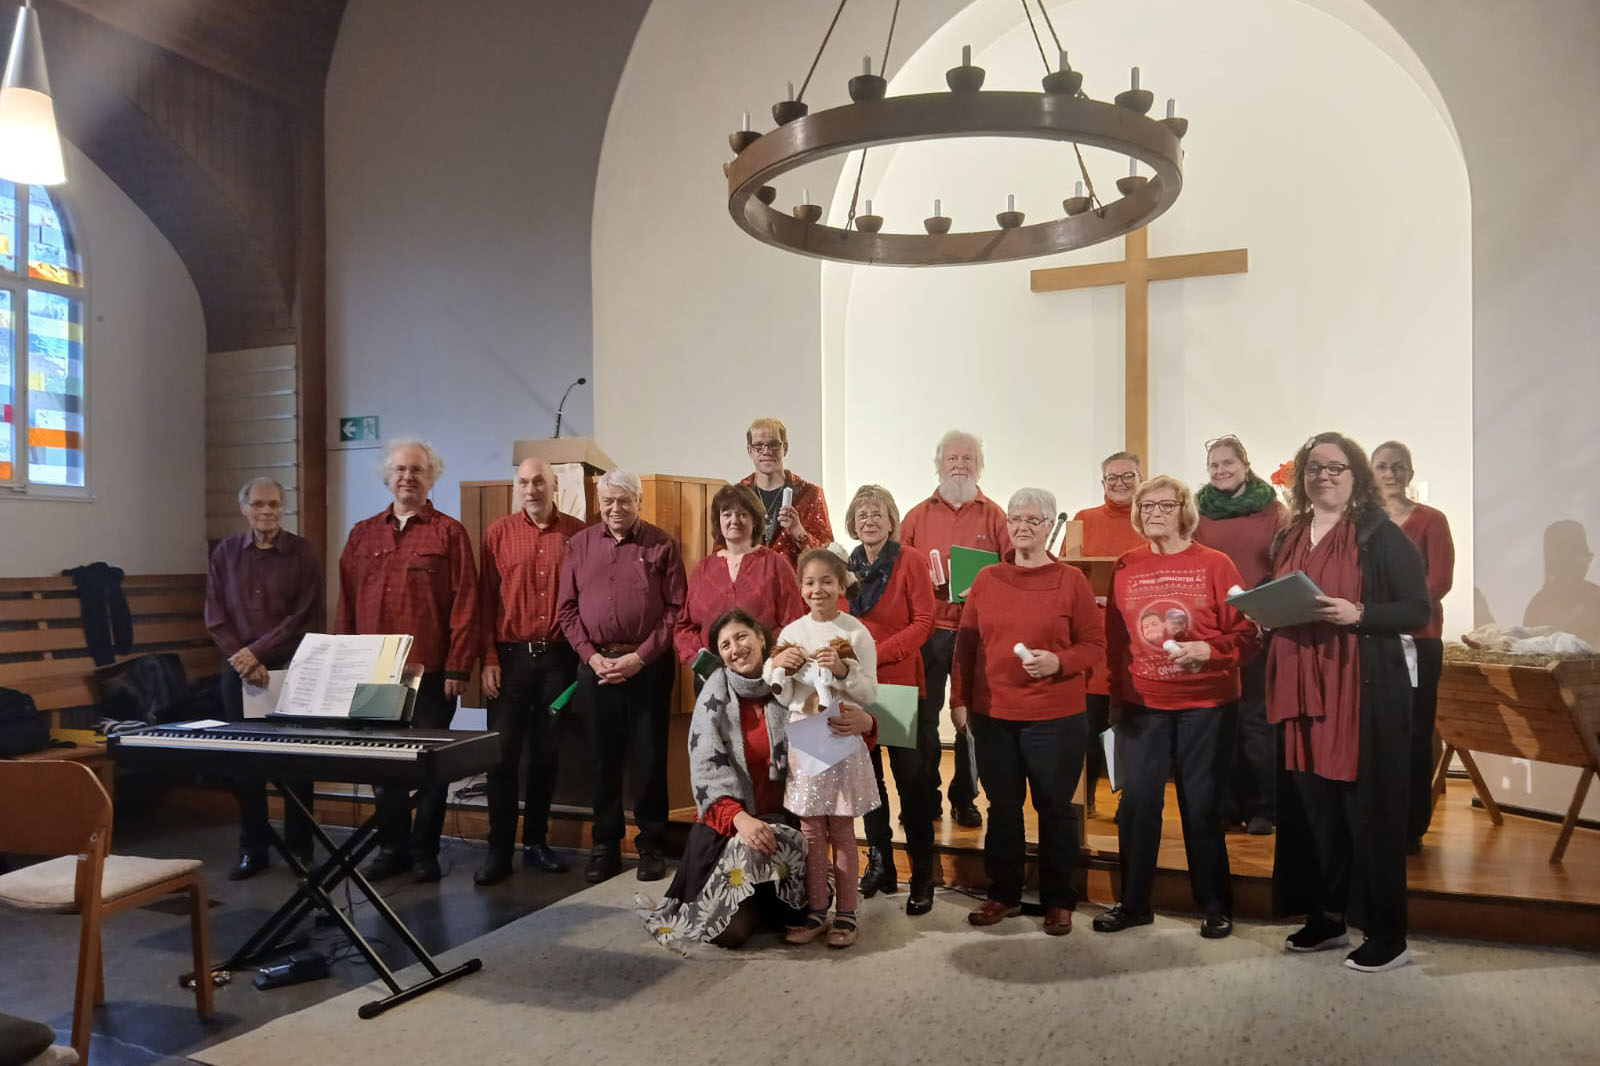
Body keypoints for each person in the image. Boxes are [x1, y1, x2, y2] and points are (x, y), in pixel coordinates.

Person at [1268, 432, 1429, 973]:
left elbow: (1416, 608)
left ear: (1356, 476)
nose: (1325, 477)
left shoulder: (1381, 535)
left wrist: (1360, 614)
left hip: (1358, 691)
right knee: (1317, 815)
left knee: (1368, 816)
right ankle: (1328, 915)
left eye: (1336, 468)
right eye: (1315, 468)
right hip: (1300, 690)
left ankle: (1388, 934)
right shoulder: (1290, 534)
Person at [1095, 476, 1257, 939]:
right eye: (1145, 507)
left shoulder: (1216, 565)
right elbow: (1115, 641)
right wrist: (1115, 697)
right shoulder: (1126, 565)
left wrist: (1210, 651)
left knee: (1202, 805)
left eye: (1164, 505)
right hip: (1143, 704)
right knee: (1138, 804)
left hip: (1206, 705)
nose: (1154, 513)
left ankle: (1214, 904)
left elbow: (1248, 634)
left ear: (1184, 509)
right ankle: (1134, 902)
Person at [952, 487, 1104, 936]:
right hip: (994, 714)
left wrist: (1060, 662)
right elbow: (966, 645)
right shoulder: (987, 579)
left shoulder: (1071, 580)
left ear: (1050, 526)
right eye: (1015, 519)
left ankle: (1059, 898)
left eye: (1032, 520)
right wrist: (958, 699)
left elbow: (1094, 646)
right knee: (1003, 807)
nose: (1021, 527)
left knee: (1055, 809)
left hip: (1055, 716)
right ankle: (1004, 893)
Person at [337, 438, 479, 883]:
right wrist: (344, 664)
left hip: (434, 673)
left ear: (431, 477)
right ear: (388, 476)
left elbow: (467, 603)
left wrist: (459, 666)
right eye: (400, 470)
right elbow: (345, 601)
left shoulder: (449, 533)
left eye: (417, 470)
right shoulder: (362, 534)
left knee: (431, 769)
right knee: (383, 769)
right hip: (377, 673)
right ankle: (391, 847)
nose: (408, 477)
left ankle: (425, 852)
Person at [637, 609, 807, 952]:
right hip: (727, 827)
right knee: (730, 933)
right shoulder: (713, 697)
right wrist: (741, 819)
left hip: (783, 826)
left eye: (742, 637)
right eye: (725, 644)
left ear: (761, 637)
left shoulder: (791, 685)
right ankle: (751, 901)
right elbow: (706, 772)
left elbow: (826, 737)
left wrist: (861, 721)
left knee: (793, 918)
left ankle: (765, 898)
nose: (735, 648)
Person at [557, 468, 687, 884]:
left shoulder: (661, 544)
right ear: (599, 503)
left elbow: (675, 611)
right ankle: (605, 845)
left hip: (646, 669)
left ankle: (651, 844)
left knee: (650, 759)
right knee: (602, 760)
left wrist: (639, 659)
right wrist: (592, 658)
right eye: (608, 501)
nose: (615, 509)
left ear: (639, 503)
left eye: (624, 501)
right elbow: (567, 610)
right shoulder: (578, 545)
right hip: (595, 668)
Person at [474, 457, 587, 886]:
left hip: (559, 659)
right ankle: (498, 850)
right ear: (515, 487)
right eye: (523, 482)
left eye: (539, 481)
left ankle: (536, 844)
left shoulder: (577, 533)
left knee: (547, 753)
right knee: (500, 757)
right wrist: (486, 657)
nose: (531, 488)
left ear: (554, 484)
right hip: (509, 659)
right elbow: (484, 601)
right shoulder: (497, 534)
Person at [204, 476, 323, 880]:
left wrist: (257, 653)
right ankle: (253, 848)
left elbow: (303, 616)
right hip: (238, 670)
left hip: (290, 668)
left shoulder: (303, 553)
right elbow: (215, 615)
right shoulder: (225, 553)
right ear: (244, 508)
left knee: (296, 761)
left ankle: (300, 848)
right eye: (258, 504)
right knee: (245, 763)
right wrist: (243, 658)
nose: (266, 511)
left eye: (274, 504)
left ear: (283, 507)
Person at [765, 548, 880, 948]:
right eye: (810, 583)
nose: (819, 590)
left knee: (843, 827)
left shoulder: (855, 632)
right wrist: (787, 667)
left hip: (841, 733)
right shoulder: (792, 632)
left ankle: (846, 912)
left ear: (841, 584)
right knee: (811, 829)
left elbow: (869, 692)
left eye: (827, 581)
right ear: (800, 588)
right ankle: (817, 909)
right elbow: (779, 692)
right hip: (806, 735)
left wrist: (844, 670)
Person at [900, 429, 1011, 829]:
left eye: (967, 459)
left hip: (976, 634)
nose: (960, 465)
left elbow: (1013, 571)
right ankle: (923, 795)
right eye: (952, 459)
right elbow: (899, 573)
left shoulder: (996, 515)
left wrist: (985, 585)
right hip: (928, 632)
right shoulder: (916, 516)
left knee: (973, 720)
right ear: (939, 464)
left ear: (979, 465)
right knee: (922, 718)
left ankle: (966, 796)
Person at [846, 484, 938, 915]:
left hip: (899, 687)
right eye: (862, 514)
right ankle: (881, 863)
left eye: (877, 513)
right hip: (856, 689)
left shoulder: (910, 560)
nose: (869, 520)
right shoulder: (845, 566)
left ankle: (923, 874)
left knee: (912, 785)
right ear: (852, 522)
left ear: (892, 519)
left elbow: (924, 623)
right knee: (869, 784)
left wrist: (873, 654)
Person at [1194, 434, 1288, 835]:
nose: (1221, 471)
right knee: (1219, 720)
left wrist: (1264, 608)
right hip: (1213, 628)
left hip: (1258, 627)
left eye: (1228, 463)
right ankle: (1227, 805)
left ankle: (1265, 805)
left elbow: (1284, 564)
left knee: (1256, 720)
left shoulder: (1273, 511)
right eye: (1214, 465)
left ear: (1245, 465)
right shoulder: (1197, 512)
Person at [1371, 441, 1455, 854]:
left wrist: (1389, 611)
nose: (1391, 473)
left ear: (1410, 472)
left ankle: (1411, 826)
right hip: (1373, 645)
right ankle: (1377, 820)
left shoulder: (1431, 521)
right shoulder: (1362, 523)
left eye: (1399, 467)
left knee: (1415, 734)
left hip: (1418, 642)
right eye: (1383, 466)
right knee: (1375, 734)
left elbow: (1438, 581)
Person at [1073, 451, 1148, 814]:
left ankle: (1127, 802)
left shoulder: (1152, 520)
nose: (1120, 484)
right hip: (1092, 640)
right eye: (1112, 478)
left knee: (1129, 730)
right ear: (1102, 482)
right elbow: (1069, 577)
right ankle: (1082, 800)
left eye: (1128, 477)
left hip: (1138, 642)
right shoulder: (1083, 521)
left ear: (1141, 478)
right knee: (1086, 728)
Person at [673, 484, 805, 667]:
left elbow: (794, 624)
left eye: (743, 514)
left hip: (764, 673)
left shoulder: (776, 564)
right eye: (726, 514)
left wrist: (771, 660)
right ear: (718, 521)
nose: (734, 520)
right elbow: (684, 626)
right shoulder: (704, 569)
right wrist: (698, 659)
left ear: (755, 521)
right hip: (712, 675)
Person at [737, 417, 833, 567]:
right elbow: (722, 550)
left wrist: (798, 531)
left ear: (785, 448)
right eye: (758, 446)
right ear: (750, 451)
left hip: (794, 586)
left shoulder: (809, 494)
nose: (766, 451)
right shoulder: (737, 496)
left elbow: (829, 557)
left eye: (774, 445)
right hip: (748, 585)